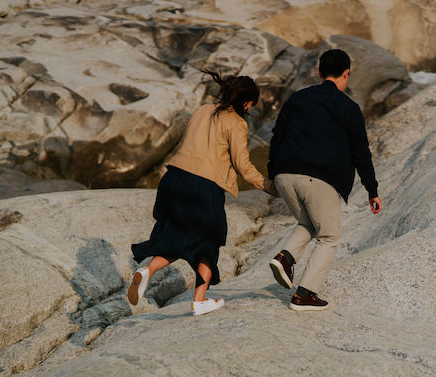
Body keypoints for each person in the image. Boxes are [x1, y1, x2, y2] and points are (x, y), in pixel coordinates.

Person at [127, 71, 274, 316]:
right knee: (208, 243)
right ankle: (200, 300)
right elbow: (243, 165)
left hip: (173, 179)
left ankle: (146, 272)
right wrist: (269, 187)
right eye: (251, 103)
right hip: (203, 187)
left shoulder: (203, 109)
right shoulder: (237, 122)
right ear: (246, 101)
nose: (250, 107)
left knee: (174, 236)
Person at [267, 48, 381, 311]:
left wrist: (273, 173)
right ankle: (304, 295)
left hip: (285, 176)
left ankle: (284, 258)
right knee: (329, 236)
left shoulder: (297, 98)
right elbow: (361, 153)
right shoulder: (348, 108)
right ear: (346, 74)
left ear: (319, 72)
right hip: (319, 180)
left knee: (309, 222)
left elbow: (277, 136)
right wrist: (372, 190)